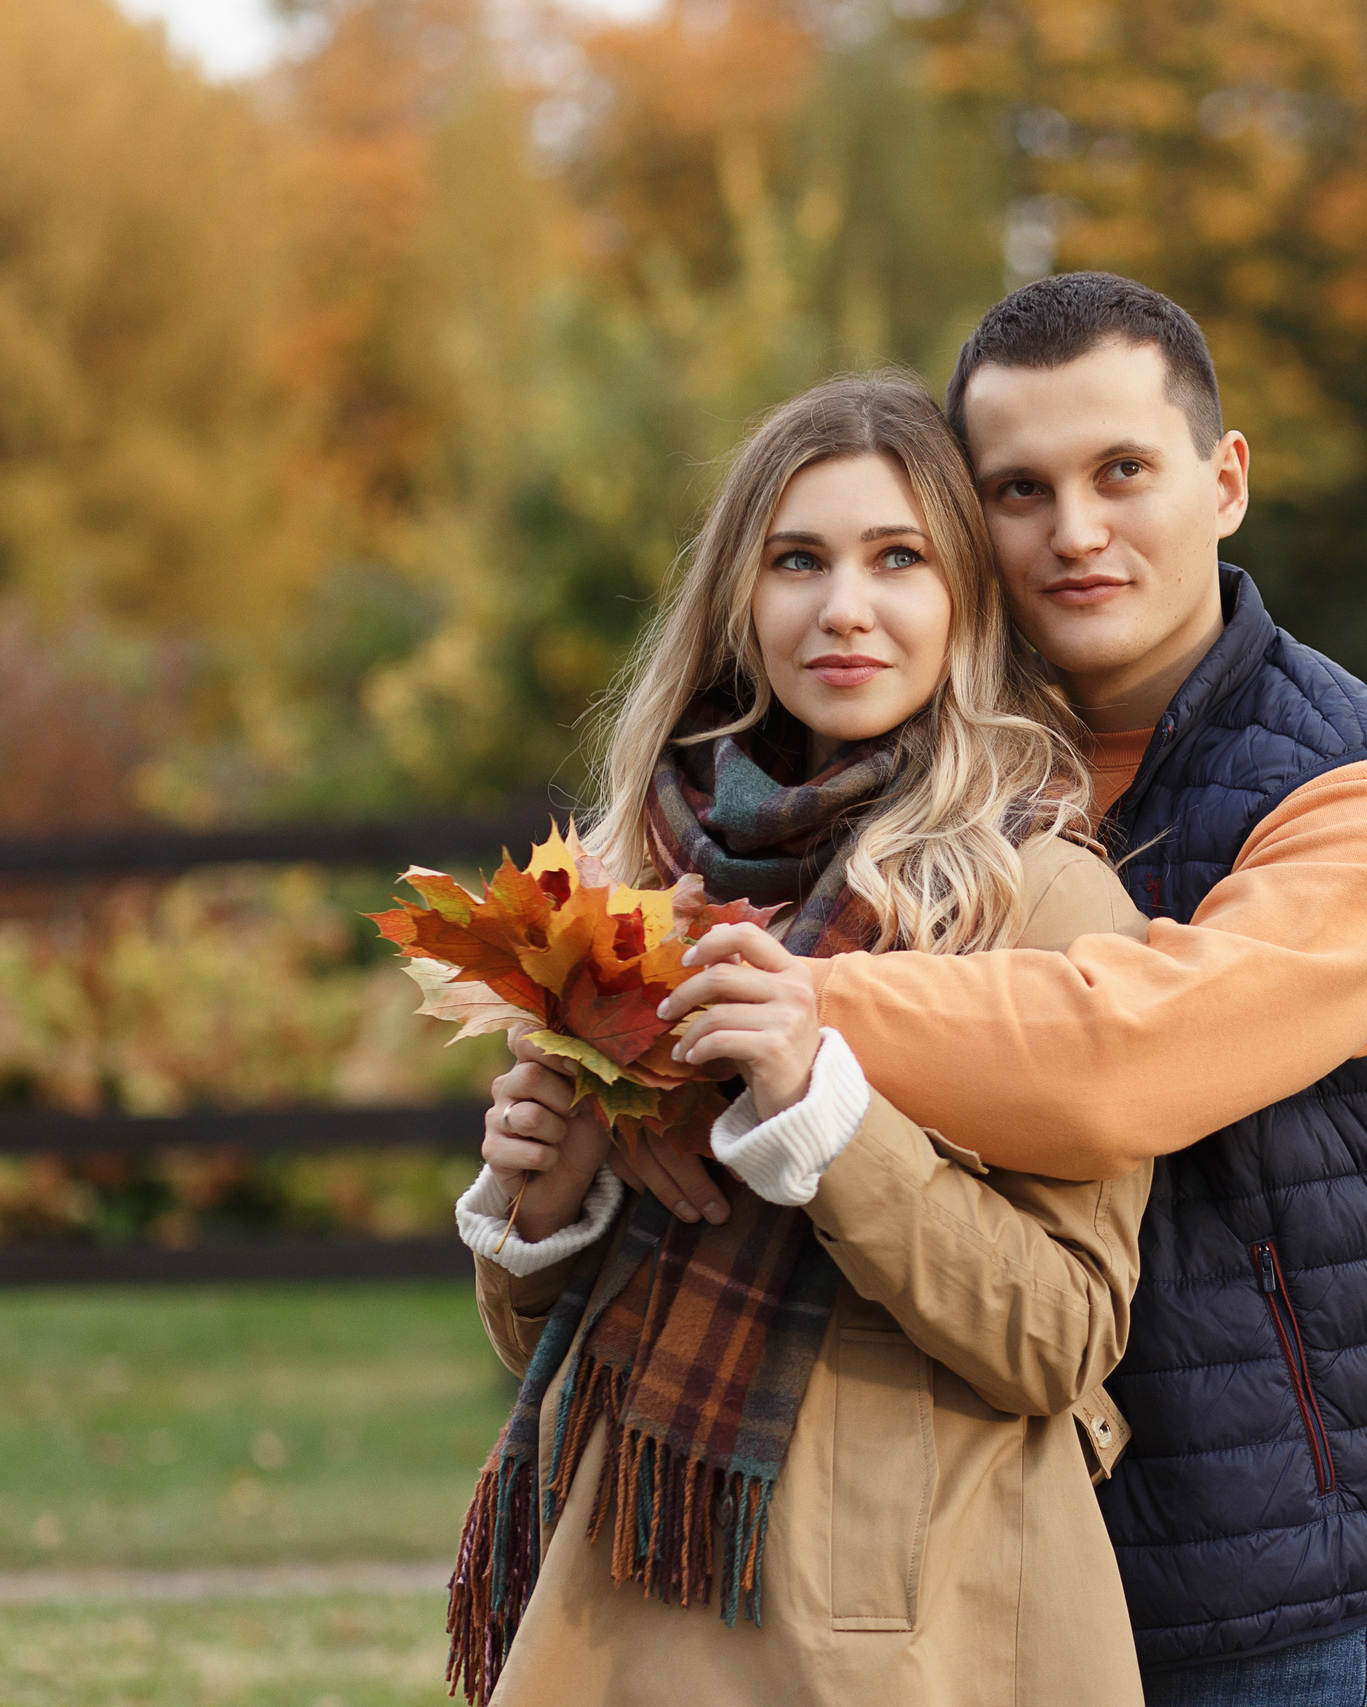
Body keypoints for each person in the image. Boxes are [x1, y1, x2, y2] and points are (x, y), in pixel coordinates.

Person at [644, 274, 1367, 1705]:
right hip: (958, 1564)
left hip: (1251, 1601)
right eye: (1019, 490)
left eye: (1122, 473)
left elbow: (1114, 1063)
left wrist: (774, 1007)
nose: (1075, 531)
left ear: (1222, 482)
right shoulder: (912, 765)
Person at [453, 372, 1153, 1706]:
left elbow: (1060, 1336)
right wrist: (536, 1206)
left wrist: (818, 1103)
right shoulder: (631, 882)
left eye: (899, 559)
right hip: (620, 1606)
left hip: (908, 1630)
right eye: (798, 560)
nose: (843, 608)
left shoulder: (1041, 897)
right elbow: (552, 1334)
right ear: (740, 598)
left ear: (965, 602)